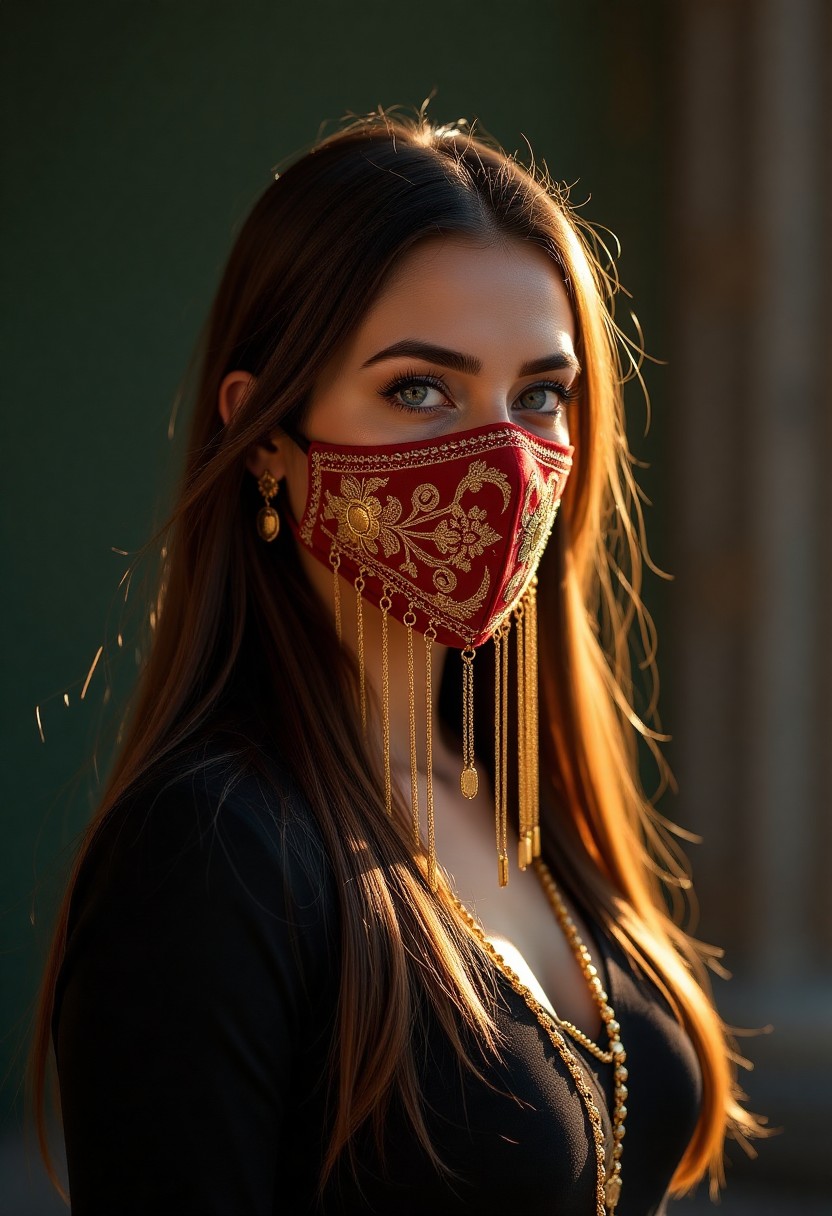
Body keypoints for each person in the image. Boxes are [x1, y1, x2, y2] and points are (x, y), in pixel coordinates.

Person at [29, 112, 763, 1215]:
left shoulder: (522, 802)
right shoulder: (211, 850)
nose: (503, 463)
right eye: (421, 389)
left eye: (541, 396)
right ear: (266, 434)